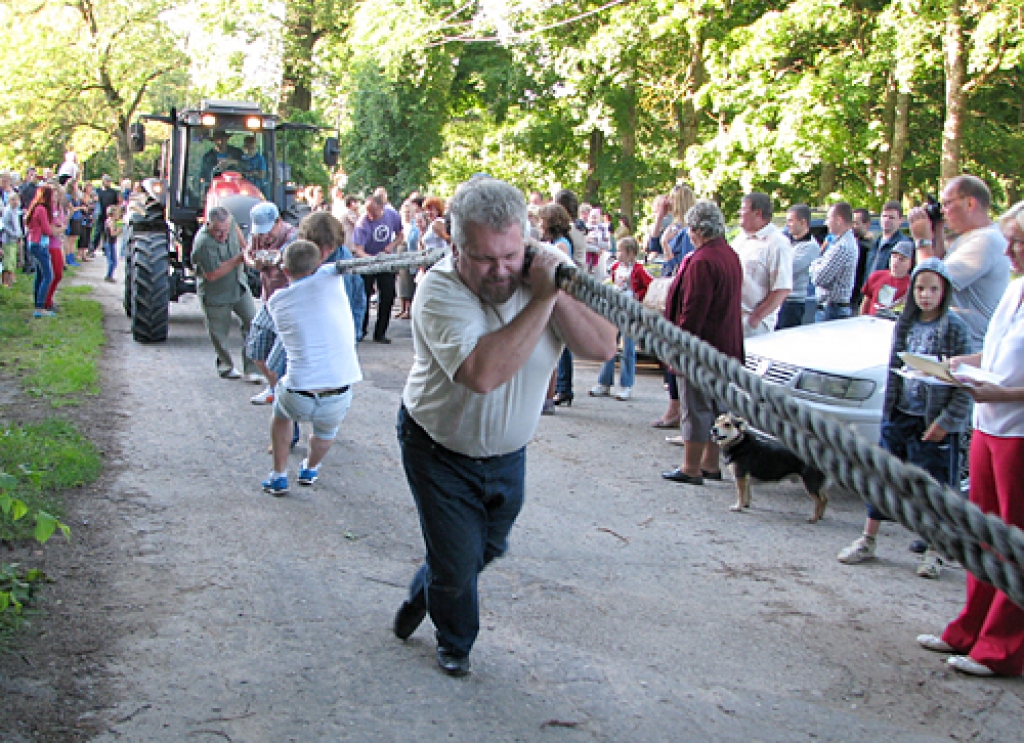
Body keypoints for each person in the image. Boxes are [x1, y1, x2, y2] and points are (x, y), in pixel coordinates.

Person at [392, 176, 617, 677]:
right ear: (454, 246)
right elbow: (482, 374)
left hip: (508, 455)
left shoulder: (547, 277)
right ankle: (456, 643)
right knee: (456, 561)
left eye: (510, 256)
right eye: (484, 258)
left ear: (526, 242)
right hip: (438, 449)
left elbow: (603, 346)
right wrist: (540, 300)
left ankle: (422, 595)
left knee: (483, 550)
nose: (500, 271)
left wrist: (555, 289)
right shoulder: (438, 290)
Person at [914, 202, 1024, 677]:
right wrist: (962, 363)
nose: (1011, 251)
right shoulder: (1015, 288)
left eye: (1019, 243)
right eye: (1011, 241)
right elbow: (998, 349)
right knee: (980, 531)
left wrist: (999, 389)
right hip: (989, 422)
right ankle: (969, 627)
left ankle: (1001, 646)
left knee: (1012, 539)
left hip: (1017, 429)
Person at [837, 258, 972, 577]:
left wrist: (947, 422)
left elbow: (964, 382)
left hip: (934, 423)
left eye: (933, 289)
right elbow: (895, 371)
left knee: (936, 488)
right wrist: (889, 415)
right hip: (901, 416)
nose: (926, 295)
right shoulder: (906, 324)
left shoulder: (955, 328)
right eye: (920, 288)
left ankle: (936, 549)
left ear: (945, 291)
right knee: (882, 479)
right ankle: (868, 538)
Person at [260, 240, 362, 496]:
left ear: (285, 270)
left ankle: (278, 475)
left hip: (298, 392)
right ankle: (310, 469)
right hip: (339, 391)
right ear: (319, 263)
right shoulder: (333, 278)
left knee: (281, 414)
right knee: (325, 433)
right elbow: (326, 269)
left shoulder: (276, 302)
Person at [661, 200, 744, 485]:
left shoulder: (702, 261)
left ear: (697, 230)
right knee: (717, 406)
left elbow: (693, 311)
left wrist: (678, 348)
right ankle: (710, 464)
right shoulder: (730, 255)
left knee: (696, 408)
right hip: (725, 345)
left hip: (701, 349)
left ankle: (691, 467)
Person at [909, 175, 1010, 352]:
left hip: (968, 347)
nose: (943, 210)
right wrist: (938, 229)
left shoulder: (986, 241)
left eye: (947, 204)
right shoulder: (972, 236)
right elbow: (939, 265)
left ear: (969, 203)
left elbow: (930, 283)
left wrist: (922, 241)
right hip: (956, 342)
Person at [191, 206, 259, 381]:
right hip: (216, 293)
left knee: (253, 322)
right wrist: (239, 258)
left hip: (238, 285)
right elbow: (212, 275)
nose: (222, 235)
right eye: (218, 231)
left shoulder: (230, 222)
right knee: (219, 333)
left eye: (225, 231)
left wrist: (247, 250)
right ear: (208, 225)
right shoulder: (203, 243)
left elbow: (238, 236)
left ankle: (252, 368)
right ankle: (226, 366)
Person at [589, 237, 651, 401]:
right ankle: (604, 382)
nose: (618, 254)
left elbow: (648, 285)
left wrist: (639, 297)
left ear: (630, 253)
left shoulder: (638, 269)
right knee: (609, 345)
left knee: (628, 349)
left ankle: (626, 385)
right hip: (614, 309)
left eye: (621, 251)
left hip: (629, 311)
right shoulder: (616, 267)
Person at [732, 192, 792, 337]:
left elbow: (782, 288)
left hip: (754, 325)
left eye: (743, 209)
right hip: (732, 319)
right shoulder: (740, 239)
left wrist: (755, 319)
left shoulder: (777, 243)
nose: (740, 213)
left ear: (757, 213)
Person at [537, 202, 575, 414]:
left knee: (553, 348)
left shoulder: (561, 245)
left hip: (556, 298)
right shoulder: (558, 242)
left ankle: (550, 396)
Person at [353, 193, 403, 343]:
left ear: (382, 208)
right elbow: (358, 250)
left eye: (373, 212)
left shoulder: (392, 215)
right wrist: (372, 259)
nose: (370, 215)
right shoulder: (362, 223)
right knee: (364, 295)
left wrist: (391, 246)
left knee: (388, 295)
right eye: (368, 211)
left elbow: (400, 235)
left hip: (385, 260)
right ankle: (361, 329)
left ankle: (380, 332)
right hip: (367, 261)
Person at [810, 201, 859, 322]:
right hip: (830, 309)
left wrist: (814, 265)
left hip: (832, 310)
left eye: (828, 218)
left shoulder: (842, 246)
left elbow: (819, 278)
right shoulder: (838, 242)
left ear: (839, 220)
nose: (825, 223)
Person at [775, 204, 820, 329]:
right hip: (779, 300)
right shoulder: (786, 241)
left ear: (803, 222)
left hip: (793, 302)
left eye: (790, 221)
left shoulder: (810, 247)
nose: (787, 224)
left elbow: (788, 268)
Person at [860, 241, 913, 317]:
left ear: (910, 263)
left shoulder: (911, 285)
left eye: (902, 259)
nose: (896, 261)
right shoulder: (876, 276)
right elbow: (866, 303)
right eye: (894, 256)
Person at [25, 185, 55, 317]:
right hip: (39, 244)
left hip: (33, 242)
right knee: (48, 275)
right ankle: (40, 306)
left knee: (40, 274)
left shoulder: (35, 207)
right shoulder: (42, 209)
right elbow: (47, 229)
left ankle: (38, 303)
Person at [865, 200, 914, 278]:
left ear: (900, 220)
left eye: (891, 217)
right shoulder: (875, 243)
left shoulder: (904, 245)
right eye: (884, 216)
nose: (886, 220)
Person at [91, 174, 121, 256]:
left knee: (107, 232)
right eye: (107, 181)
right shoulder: (98, 191)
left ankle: (105, 248)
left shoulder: (113, 192)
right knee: (98, 231)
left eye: (109, 181)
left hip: (110, 215)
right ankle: (93, 248)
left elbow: (117, 204)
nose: (108, 183)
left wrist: (117, 214)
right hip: (100, 214)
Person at [851, 207, 875, 306]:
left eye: (856, 223)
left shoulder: (869, 247)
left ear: (867, 224)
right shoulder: (852, 242)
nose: (852, 226)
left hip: (859, 297)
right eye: (851, 223)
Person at [584, 207, 611, 274]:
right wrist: (597, 249)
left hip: (600, 265)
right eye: (592, 217)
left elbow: (607, 245)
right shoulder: (586, 227)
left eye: (595, 218)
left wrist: (596, 241)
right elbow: (583, 244)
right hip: (587, 258)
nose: (593, 220)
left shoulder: (602, 228)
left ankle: (592, 267)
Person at [103, 205, 123, 283]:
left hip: (110, 242)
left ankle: (110, 275)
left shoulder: (109, 221)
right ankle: (108, 276)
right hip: (110, 243)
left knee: (113, 261)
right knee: (112, 261)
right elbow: (112, 233)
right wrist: (119, 230)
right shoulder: (111, 222)